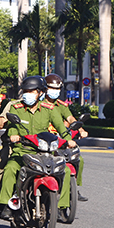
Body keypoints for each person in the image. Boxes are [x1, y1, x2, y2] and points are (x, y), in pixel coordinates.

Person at [0, 76, 76, 221]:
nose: (28, 94)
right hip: (22, 152)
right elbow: (12, 127)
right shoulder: (16, 108)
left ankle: (60, 206)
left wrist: (69, 140)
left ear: (40, 93)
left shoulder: (49, 110)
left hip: (44, 152)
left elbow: (61, 127)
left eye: (31, 91)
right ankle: (6, 205)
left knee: (66, 170)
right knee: (10, 168)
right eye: (25, 91)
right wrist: (14, 136)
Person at [44, 73, 89, 203]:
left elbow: (70, 118)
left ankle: (74, 188)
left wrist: (80, 129)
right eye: (52, 88)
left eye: (57, 89)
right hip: (44, 140)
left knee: (78, 158)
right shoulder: (39, 105)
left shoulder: (61, 105)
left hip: (61, 139)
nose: (55, 91)